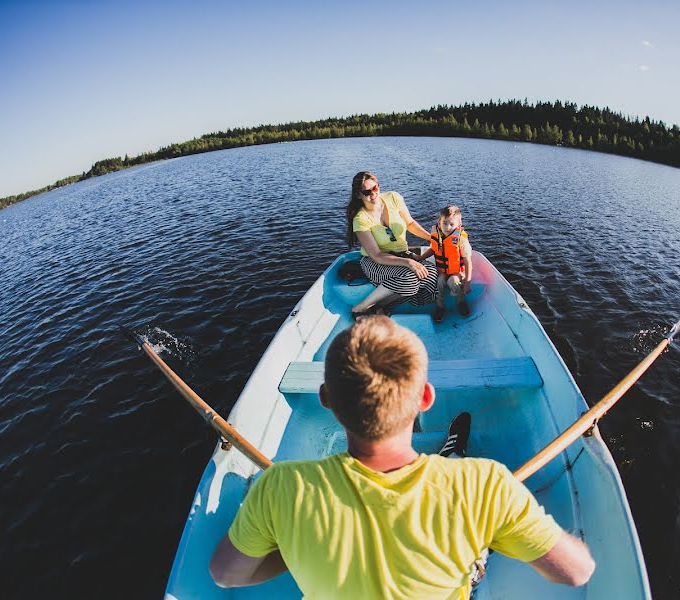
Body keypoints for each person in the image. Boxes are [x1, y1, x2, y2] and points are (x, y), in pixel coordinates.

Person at [209, 317, 596, 598]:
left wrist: (296, 550)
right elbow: (577, 572)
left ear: (325, 399)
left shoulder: (280, 488)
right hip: (473, 500)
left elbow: (226, 575)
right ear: (427, 398)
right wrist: (502, 517)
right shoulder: (487, 485)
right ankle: (455, 468)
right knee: (475, 545)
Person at [346, 171, 439, 318]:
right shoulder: (360, 219)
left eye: (375, 188)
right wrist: (408, 262)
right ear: (358, 195)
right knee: (410, 278)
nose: (373, 194)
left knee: (432, 276)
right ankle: (360, 307)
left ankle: (381, 306)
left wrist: (432, 238)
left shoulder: (393, 198)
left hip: (402, 255)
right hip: (375, 262)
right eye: (367, 192)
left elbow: (410, 223)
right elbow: (376, 255)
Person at [418, 205, 473, 323]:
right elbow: (433, 249)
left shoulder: (461, 239)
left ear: (459, 224)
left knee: (452, 281)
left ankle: (460, 301)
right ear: (439, 222)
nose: (448, 227)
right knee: (440, 281)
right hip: (442, 270)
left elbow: (468, 262)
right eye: (445, 223)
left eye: (452, 224)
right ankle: (440, 306)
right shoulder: (436, 235)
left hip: (457, 273)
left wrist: (468, 282)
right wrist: (421, 257)